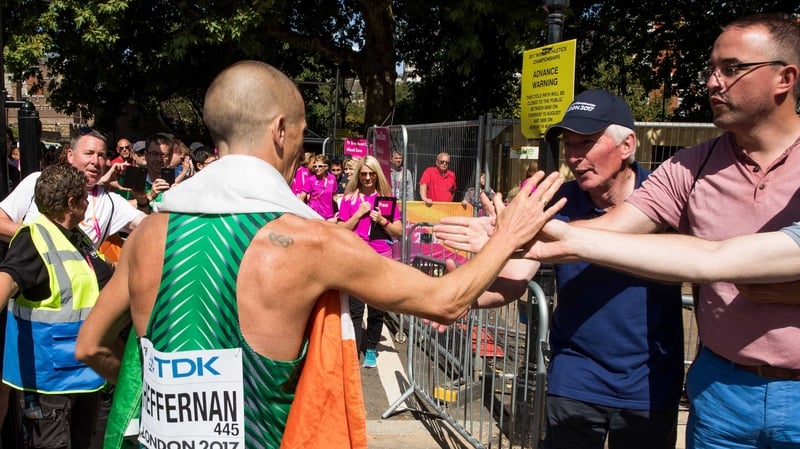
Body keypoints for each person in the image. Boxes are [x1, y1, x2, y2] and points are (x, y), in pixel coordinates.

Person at [73, 60, 565, 448]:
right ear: (281, 130)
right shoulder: (310, 245)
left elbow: (91, 346)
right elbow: (446, 300)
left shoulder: (148, 233)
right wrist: (508, 235)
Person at [436, 14, 800, 449]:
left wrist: (525, 238)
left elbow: (712, 259)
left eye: (731, 68)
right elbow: (606, 232)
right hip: (713, 387)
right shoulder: (688, 167)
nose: (712, 82)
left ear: (786, 77)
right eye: (710, 69)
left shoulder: (664, 179)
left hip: (653, 385)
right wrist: (495, 253)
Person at [454, 90, 686, 449]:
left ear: (627, 146)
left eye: (587, 143)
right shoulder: (554, 203)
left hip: (649, 385)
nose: (574, 157)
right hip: (576, 378)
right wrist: (457, 296)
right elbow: (515, 280)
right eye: (569, 145)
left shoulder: (665, 199)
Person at [0, 164, 113, 449]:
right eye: (85, 199)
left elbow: (102, 275)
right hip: (50, 380)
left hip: (85, 370)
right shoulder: (32, 238)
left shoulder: (76, 237)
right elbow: (6, 282)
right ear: (71, 203)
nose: (89, 204)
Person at [0, 128, 146, 248]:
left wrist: (143, 199)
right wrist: (39, 236)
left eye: (101, 155)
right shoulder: (38, 181)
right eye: (89, 153)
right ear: (70, 155)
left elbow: (148, 227)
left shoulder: (112, 202)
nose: (95, 161)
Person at [337, 155, 403, 368]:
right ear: (358, 175)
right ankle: (354, 352)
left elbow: (400, 232)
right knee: (355, 311)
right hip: (355, 259)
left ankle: (372, 349)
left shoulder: (386, 199)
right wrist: (358, 214)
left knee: (376, 309)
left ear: (377, 175)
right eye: (363, 173)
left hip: (380, 259)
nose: (367, 177)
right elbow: (340, 231)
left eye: (371, 173)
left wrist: (382, 220)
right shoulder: (349, 199)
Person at [300, 153, 337, 220]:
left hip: (329, 215)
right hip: (314, 215)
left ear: (326, 167)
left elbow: (334, 196)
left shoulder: (332, 178)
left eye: (320, 166)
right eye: (315, 166)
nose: (317, 168)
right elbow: (302, 197)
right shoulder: (311, 180)